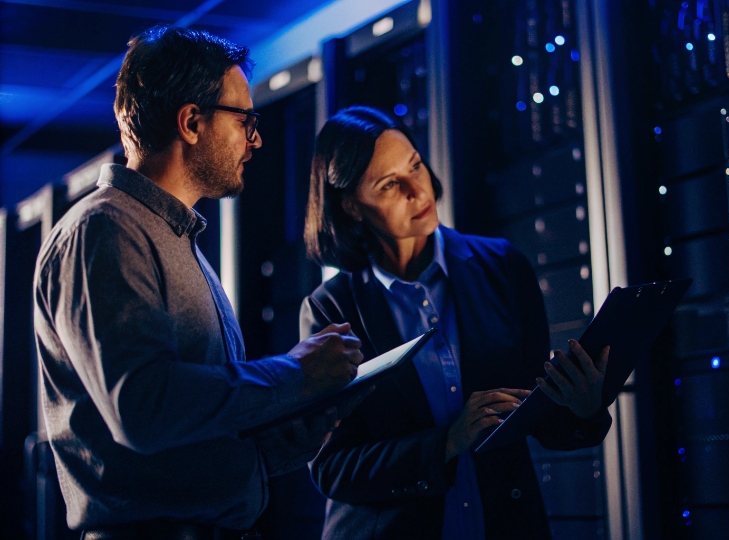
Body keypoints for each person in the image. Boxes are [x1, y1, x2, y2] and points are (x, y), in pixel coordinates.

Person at [33, 26, 366, 539]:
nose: (256, 139)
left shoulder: (178, 240)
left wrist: (303, 421)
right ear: (191, 122)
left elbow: (195, 436)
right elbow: (143, 409)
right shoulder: (104, 230)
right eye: (244, 121)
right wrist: (296, 374)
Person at [300, 106, 613, 539]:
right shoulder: (331, 310)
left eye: (415, 166)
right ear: (352, 206)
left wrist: (583, 408)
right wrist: (447, 442)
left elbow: (539, 419)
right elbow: (332, 469)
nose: (418, 190)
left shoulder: (503, 266)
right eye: (390, 184)